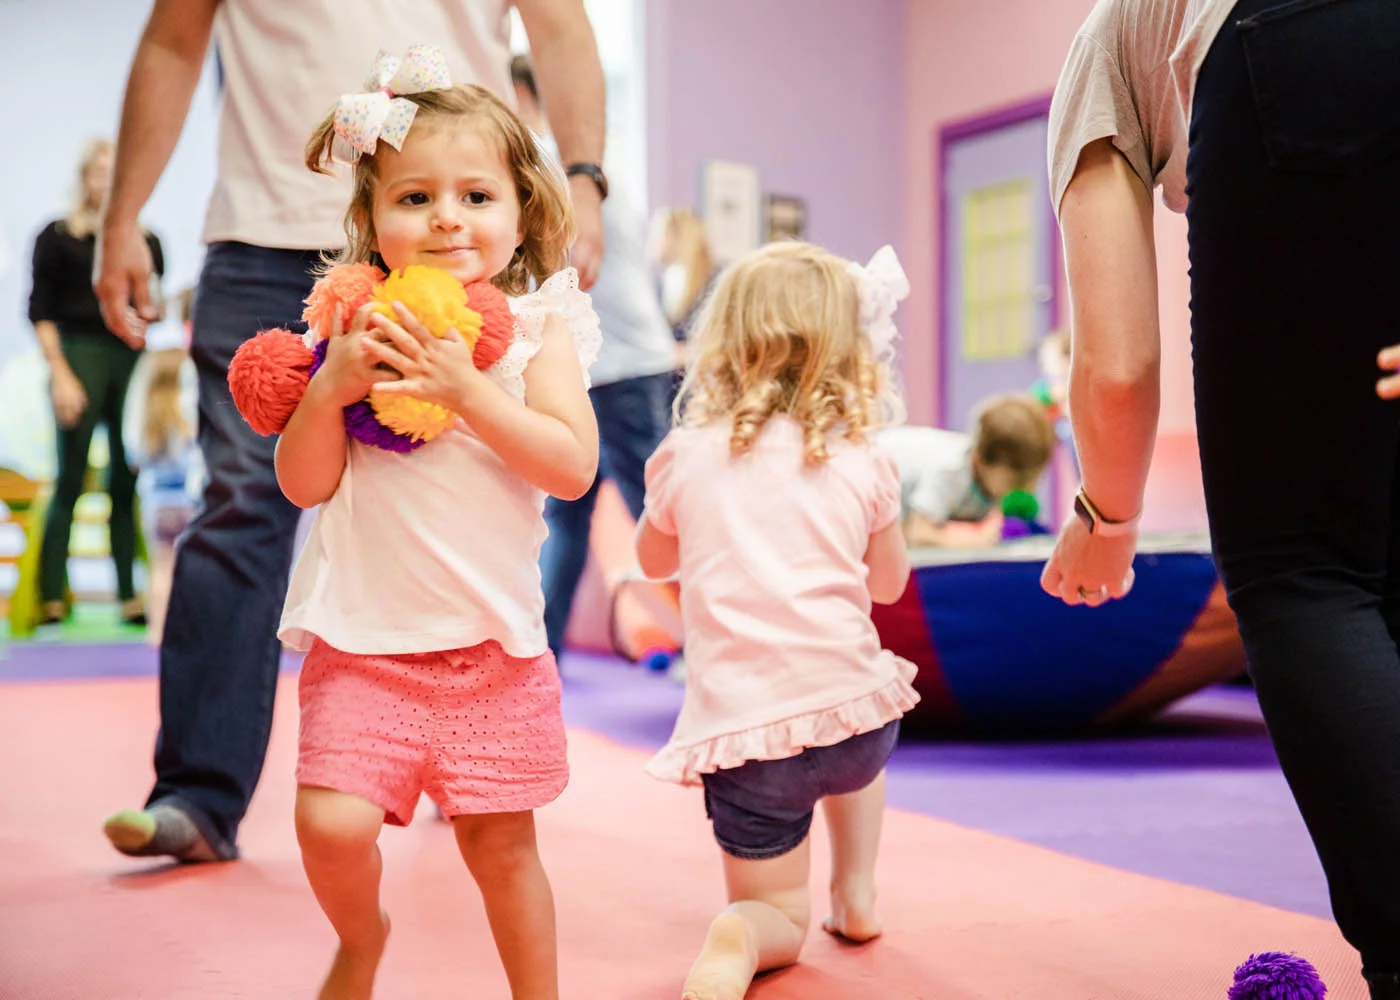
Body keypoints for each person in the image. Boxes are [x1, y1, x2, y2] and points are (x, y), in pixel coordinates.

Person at [94, 0, 606, 865]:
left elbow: (559, 28)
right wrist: (122, 216)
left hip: (459, 228)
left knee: (464, 491)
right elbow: (173, 40)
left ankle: (467, 758)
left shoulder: (526, 306)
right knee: (241, 504)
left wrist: (586, 177)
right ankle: (198, 793)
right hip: (265, 232)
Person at [1042, 2, 1400, 995]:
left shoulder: (1105, 42)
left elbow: (1114, 364)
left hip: (1290, 43)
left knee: (1303, 573)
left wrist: (1103, 518)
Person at [276, 58, 598, 1000]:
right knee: (330, 825)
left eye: (475, 195)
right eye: (416, 197)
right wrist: (331, 387)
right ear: (374, 220)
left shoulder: (543, 327)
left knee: (502, 844)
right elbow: (305, 485)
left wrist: (467, 393)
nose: (448, 217)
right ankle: (361, 935)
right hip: (365, 643)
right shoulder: (352, 326)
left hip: (491, 652)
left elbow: (570, 466)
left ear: (523, 211)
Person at [635, 241, 917, 1000]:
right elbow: (889, 587)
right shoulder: (866, 457)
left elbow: (653, 560)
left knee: (774, 912)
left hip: (751, 746)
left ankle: (743, 933)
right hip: (855, 731)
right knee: (855, 695)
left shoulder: (685, 455)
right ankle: (856, 895)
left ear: (724, 341)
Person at [509, 54, 677, 661]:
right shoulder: (567, 166)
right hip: (600, 363)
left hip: (623, 365)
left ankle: (717, 646)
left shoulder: (552, 162)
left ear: (525, 96)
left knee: (659, 515)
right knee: (567, 514)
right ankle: (541, 649)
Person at [28, 137, 164, 627]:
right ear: (84, 178)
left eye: (115, 172)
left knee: (125, 481)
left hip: (127, 358)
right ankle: (51, 596)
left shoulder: (146, 242)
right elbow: (40, 312)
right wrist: (61, 375)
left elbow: (151, 307)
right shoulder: (57, 236)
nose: (105, 181)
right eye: (98, 172)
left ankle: (130, 594)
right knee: (70, 478)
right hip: (78, 356)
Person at [877, 393, 1054, 547]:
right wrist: (977, 541)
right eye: (1016, 480)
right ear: (979, 459)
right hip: (873, 475)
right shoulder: (951, 471)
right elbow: (918, 533)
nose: (1026, 489)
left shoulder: (989, 481)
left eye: (1033, 478)